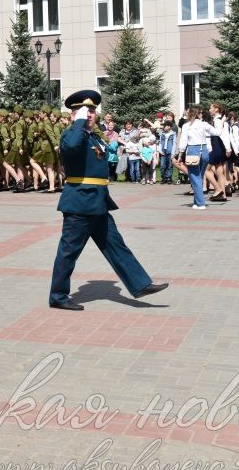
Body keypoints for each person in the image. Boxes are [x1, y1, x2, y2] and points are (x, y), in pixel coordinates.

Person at [48, 89, 167, 311]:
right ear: (73, 115)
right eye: (85, 111)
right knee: (68, 252)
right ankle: (58, 295)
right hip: (80, 204)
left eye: (92, 111)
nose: (90, 114)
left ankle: (140, 284)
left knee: (117, 245)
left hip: (99, 203)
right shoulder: (70, 135)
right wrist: (79, 123)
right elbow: (72, 147)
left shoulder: (93, 137)